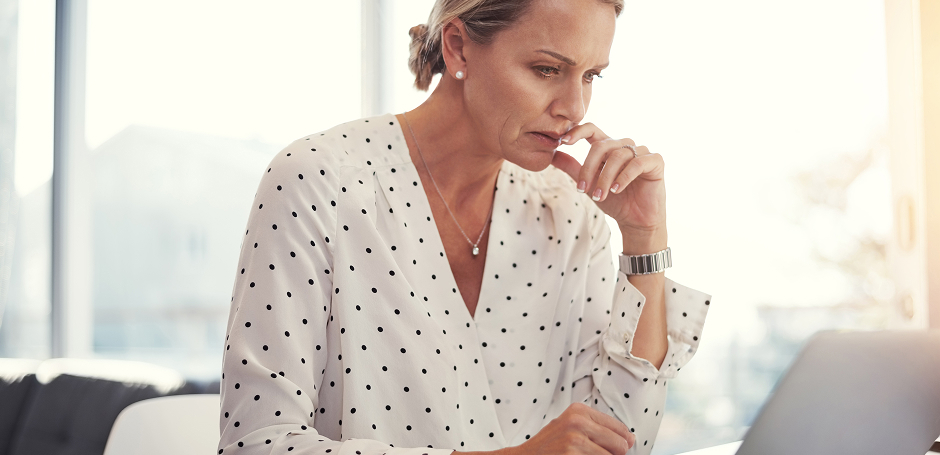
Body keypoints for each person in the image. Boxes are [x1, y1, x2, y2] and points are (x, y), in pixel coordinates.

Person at [218, 0, 712, 454]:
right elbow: (256, 442)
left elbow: (620, 440)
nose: (574, 109)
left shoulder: (571, 214)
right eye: (546, 69)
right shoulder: (319, 182)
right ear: (458, 46)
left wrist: (645, 238)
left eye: (590, 77)